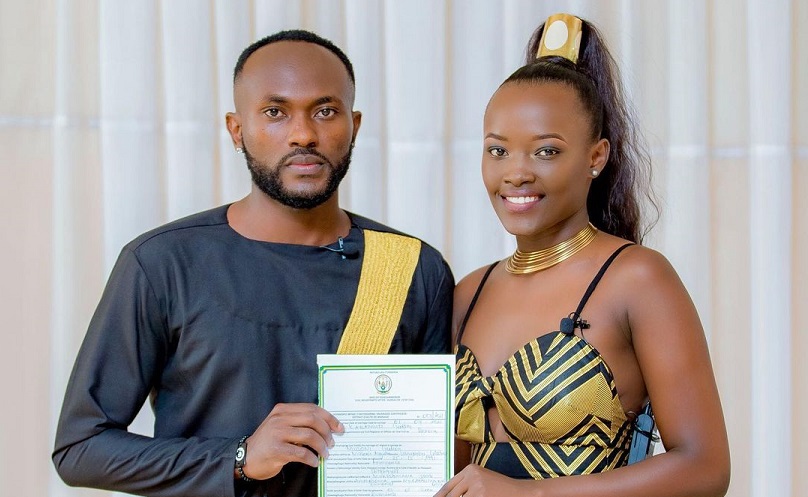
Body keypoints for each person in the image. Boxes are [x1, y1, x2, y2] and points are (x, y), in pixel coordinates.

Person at [52, 29, 453, 497]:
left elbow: (435, 451)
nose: (304, 134)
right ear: (236, 130)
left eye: (325, 111)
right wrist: (239, 458)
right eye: (275, 112)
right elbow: (80, 448)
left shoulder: (412, 268)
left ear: (355, 125)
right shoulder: (163, 263)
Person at [435, 13, 729, 497]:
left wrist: (532, 495)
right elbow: (453, 468)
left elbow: (705, 468)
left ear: (596, 157)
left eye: (546, 151)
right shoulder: (469, 292)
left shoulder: (637, 278)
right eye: (498, 151)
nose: (516, 173)